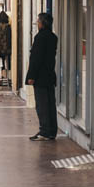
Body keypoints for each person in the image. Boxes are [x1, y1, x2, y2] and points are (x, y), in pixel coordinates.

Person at [26, 12, 58, 141]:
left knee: (42, 104)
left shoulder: (40, 38)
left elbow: (36, 59)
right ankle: (52, 131)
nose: (37, 23)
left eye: (38, 21)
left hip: (40, 76)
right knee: (50, 104)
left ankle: (44, 131)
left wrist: (31, 75)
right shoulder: (53, 37)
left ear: (43, 23)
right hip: (50, 75)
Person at [0, 11, 12, 78]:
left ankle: (2, 75)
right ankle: (8, 75)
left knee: (1, 61)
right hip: (7, 46)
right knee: (8, 60)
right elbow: (9, 37)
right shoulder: (8, 27)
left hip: (0, 46)